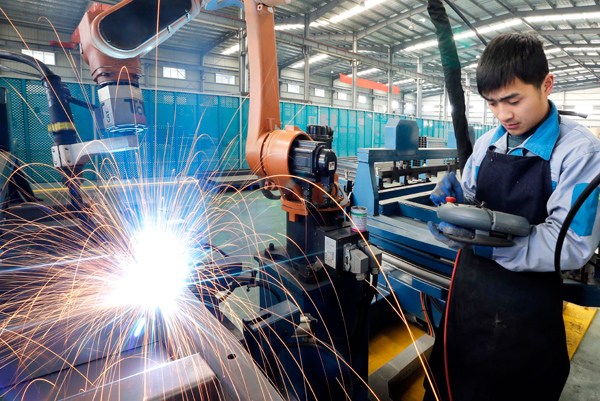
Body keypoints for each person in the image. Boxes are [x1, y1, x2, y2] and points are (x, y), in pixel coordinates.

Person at [424, 32, 600, 401]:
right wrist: (454, 201)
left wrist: (491, 248)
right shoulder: (489, 143)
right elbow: (472, 198)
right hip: (468, 301)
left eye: (513, 100)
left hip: (526, 313)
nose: (504, 114)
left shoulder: (580, 153)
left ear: (546, 84)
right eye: (492, 104)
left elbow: (571, 244)